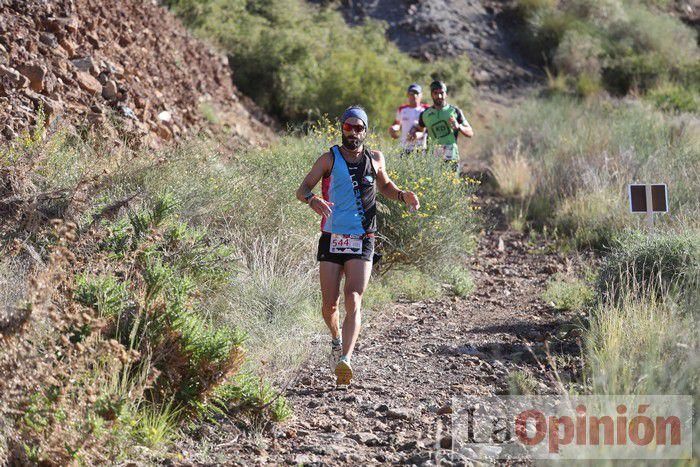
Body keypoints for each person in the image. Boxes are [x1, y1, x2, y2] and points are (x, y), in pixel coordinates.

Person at [296, 106, 420, 386]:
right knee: (329, 305)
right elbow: (302, 188)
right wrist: (312, 200)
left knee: (353, 297)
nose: (353, 132)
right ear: (342, 129)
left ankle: (346, 360)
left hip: (363, 237)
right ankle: (336, 339)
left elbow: (385, 186)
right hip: (332, 236)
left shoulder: (375, 158)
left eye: (359, 128)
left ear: (366, 130)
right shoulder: (329, 159)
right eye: (348, 127)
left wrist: (403, 196)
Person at [411, 80, 473, 172]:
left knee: (451, 185)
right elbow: (420, 129)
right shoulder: (425, 114)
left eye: (442, 93)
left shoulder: (455, 111)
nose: (439, 96)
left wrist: (459, 126)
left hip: (451, 157)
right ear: (432, 95)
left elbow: (470, 133)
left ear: (446, 94)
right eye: (436, 93)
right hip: (433, 159)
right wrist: (413, 132)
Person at [388, 83, 429, 155]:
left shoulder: (426, 109)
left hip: (420, 148)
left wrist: (420, 134)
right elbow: (398, 124)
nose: (414, 96)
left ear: (421, 95)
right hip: (404, 148)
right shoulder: (402, 109)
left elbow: (429, 129)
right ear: (407, 95)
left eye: (417, 93)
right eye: (411, 93)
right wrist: (393, 129)